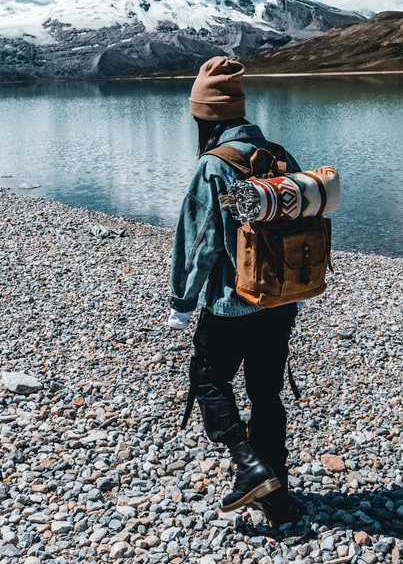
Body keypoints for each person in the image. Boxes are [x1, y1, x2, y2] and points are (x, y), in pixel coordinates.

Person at [168, 55, 301, 526]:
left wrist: (182, 304)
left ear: (205, 116)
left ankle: (248, 467)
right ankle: (277, 499)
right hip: (282, 302)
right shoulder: (279, 154)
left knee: (208, 380)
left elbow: (199, 241)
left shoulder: (214, 166)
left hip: (232, 303)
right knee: (266, 393)